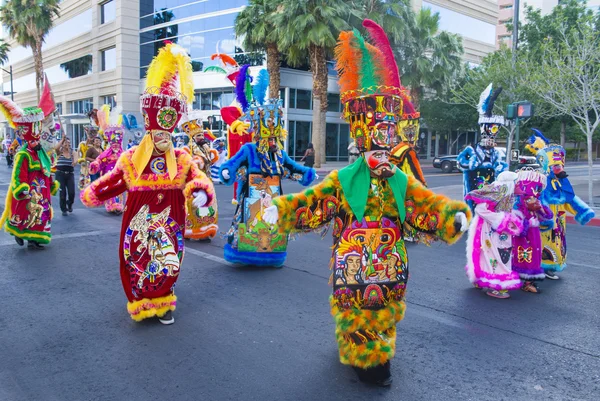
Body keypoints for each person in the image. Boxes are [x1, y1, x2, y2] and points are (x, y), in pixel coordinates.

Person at [263, 20, 470, 387]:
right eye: (376, 141)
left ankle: (376, 349)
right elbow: (314, 203)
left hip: (390, 264)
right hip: (353, 263)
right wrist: (280, 210)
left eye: (387, 140)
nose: (383, 149)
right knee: (355, 311)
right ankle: (364, 357)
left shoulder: (400, 179)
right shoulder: (344, 179)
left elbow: (426, 205)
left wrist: (452, 216)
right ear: (361, 139)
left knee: (385, 311)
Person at [80, 43, 214, 324]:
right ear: (149, 130)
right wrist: (94, 191)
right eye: (158, 132)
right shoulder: (131, 158)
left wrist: (200, 192)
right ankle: (140, 301)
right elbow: (114, 181)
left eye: (167, 132)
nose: (163, 138)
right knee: (136, 258)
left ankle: (164, 303)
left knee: (170, 259)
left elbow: (197, 178)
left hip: (171, 221)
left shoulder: (181, 157)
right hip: (139, 223)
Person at [219, 66, 316, 267]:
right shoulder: (249, 149)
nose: (272, 140)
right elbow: (233, 163)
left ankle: (271, 256)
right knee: (250, 226)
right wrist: (227, 170)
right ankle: (245, 255)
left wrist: (308, 173)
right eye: (268, 136)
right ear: (260, 135)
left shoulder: (279, 154)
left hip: (273, 199)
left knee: (272, 226)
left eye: (274, 136)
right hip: (251, 198)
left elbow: (292, 168)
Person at [525, 130, 595, 280]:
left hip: (559, 221)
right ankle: (541, 267)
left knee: (558, 245)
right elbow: (538, 202)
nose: (559, 169)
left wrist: (582, 211)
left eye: (560, 166)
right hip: (546, 221)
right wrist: (545, 219)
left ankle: (549, 267)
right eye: (556, 167)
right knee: (542, 244)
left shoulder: (563, 181)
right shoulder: (542, 182)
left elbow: (570, 199)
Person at [0, 96, 59, 249]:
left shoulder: (42, 153)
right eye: (33, 141)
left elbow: (47, 170)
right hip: (30, 191)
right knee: (24, 213)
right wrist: (22, 188)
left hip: (42, 191)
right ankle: (18, 233)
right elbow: (19, 174)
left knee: (42, 213)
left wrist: (51, 182)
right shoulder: (23, 154)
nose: (36, 142)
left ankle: (36, 238)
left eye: (37, 140)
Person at [464, 171, 524, 298]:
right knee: (493, 254)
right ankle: (495, 283)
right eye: (517, 183)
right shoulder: (496, 194)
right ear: (510, 184)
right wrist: (500, 220)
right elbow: (480, 209)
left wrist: (510, 221)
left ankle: (484, 278)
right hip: (491, 231)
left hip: (503, 232)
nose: (520, 185)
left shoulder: (508, 197)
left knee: (503, 253)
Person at [457, 83, 508, 212]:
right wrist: (471, 163)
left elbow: (500, 167)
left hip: (490, 186)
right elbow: (460, 162)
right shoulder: (472, 150)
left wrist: (500, 170)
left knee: (488, 209)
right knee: (475, 210)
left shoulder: (495, 153)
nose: (490, 140)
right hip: (473, 186)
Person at [512, 168, 553, 294]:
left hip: (534, 235)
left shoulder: (537, 202)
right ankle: (523, 281)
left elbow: (547, 217)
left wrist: (540, 208)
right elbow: (515, 224)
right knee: (522, 256)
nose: (536, 192)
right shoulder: (517, 206)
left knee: (534, 256)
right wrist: (527, 222)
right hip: (524, 237)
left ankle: (528, 282)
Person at [180, 114, 219, 240]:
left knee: (207, 206)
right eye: (198, 136)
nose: (201, 137)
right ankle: (189, 229)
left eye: (202, 135)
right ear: (192, 137)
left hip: (207, 182)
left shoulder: (206, 148)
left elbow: (211, 161)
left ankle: (204, 231)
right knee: (193, 207)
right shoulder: (187, 149)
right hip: (194, 183)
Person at [88, 105, 125, 214]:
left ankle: (118, 205)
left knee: (118, 191)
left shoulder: (123, 154)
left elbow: (129, 162)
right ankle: (111, 205)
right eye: (114, 144)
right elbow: (99, 161)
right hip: (108, 175)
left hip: (119, 176)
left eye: (117, 144)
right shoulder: (106, 153)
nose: (115, 146)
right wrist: (95, 165)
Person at [54, 136, 78, 216]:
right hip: (60, 174)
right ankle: (63, 209)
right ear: (63, 144)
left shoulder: (73, 152)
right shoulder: (59, 151)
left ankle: (70, 203)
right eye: (66, 143)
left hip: (70, 174)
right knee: (62, 193)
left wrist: (74, 162)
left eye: (69, 143)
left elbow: (76, 159)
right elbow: (56, 148)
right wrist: (62, 140)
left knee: (71, 193)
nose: (68, 144)